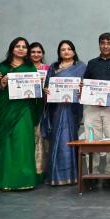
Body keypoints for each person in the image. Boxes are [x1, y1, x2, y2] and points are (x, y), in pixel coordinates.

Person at [0, 37, 43, 191]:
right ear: (12, 49)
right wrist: (1, 85)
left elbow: (36, 94)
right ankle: (7, 180)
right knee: (7, 143)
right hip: (4, 111)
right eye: (17, 46)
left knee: (23, 143)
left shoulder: (31, 68)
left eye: (24, 47)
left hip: (24, 110)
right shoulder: (1, 67)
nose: (21, 49)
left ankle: (25, 180)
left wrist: (38, 87)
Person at [82, 33, 110, 189]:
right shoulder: (92, 63)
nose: (105, 46)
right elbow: (85, 82)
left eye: (109, 43)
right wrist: (82, 87)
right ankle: (92, 173)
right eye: (103, 43)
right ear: (99, 44)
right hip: (92, 108)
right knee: (91, 140)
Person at [43, 40, 86, 186]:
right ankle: (56, 176)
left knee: (70, 139)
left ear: (73, 51)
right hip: (56, 109)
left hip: (72, 109)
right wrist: (46, 91)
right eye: (63, 49)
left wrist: (83, 89)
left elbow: (86, 87)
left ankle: (72, 175)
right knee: (57, 139)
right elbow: (47, 86)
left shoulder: (81, 67)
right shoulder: (53, 68)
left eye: (69, 49)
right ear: (59, 52)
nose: (66, 52)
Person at [28, 42, 48, 181]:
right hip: (27, 106)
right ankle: (28, 170)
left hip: (43, 107)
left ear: (42, 54)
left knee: (41, 138)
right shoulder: (25, 68)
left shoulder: (48, 69)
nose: (36, 54)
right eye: (33, 52)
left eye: (39, 52)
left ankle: (40, 170)